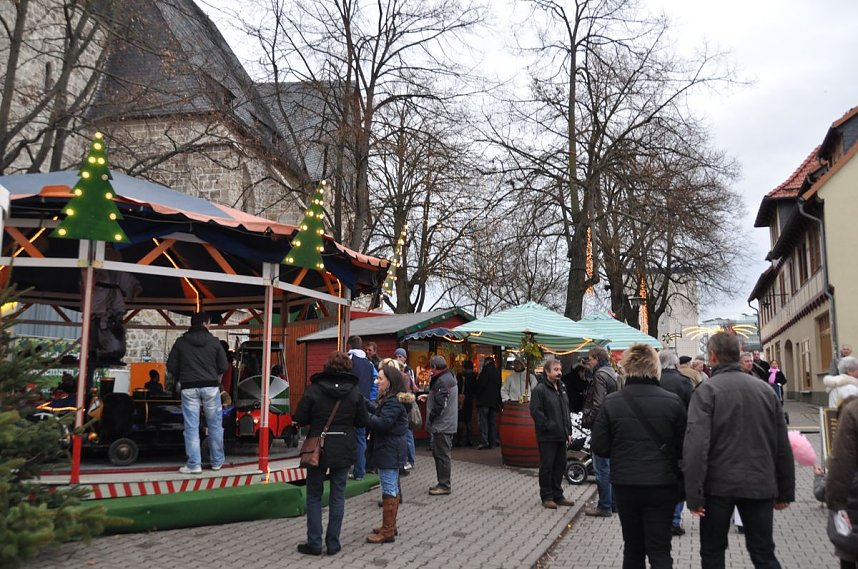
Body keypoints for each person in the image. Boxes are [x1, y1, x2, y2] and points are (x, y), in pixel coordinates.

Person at [684, 332, 794, 569]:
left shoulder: (706, 391)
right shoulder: (765, 391)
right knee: (763, 552)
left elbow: (696, 445)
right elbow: (781, 443)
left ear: (713, 356)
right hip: (759, 481)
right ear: (738, 355)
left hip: (717, 486)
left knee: (712, 553)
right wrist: (785, 490)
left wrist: (693, 494)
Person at [592, 344, 686, 568]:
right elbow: (684, 448)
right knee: (660, 549)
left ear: (627, 368)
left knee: (633, 548)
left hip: (626, 484)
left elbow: (599, 446)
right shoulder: (673, 402)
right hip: (662, 485)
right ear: (655, 368)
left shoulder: (612, 402)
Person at [293, 351, 368, 556]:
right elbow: (362, 421)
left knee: (314, 494)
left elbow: (300, 416)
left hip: (317, 447)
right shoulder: (354, 391)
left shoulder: (314, 389)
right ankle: (333, 543)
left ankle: (314, 542)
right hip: (344, 446)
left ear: (327, 366)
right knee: (338, 495)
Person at [167, 312, 228, 474]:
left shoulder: (181, 342)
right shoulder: (215, 342)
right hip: (211, 387)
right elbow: (224, 366)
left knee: (191, 427)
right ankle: (217, 462)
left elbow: (171, 366)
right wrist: (212, 373)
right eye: (209, 323)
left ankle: (194, 465)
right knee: (215, 425)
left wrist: (183, 374)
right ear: (205, 324)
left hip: (189, 387)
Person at [366, 363, 412, 543]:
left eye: (380, 379)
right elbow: (379, 412)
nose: (377, 382)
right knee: (391, 486)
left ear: (390, 382)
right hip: (392, 449)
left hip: (389, 450)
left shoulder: (393, 402)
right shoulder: (392, 400)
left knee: (389, 488)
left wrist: (364, 417)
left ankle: (388, 531)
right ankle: (390, 526)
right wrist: (364, 403)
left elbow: (382, 423)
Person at [529, 357, 575, 509]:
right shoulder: (540, 390)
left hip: (561, 435)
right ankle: (547, 496)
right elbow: (536, 412)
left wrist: (568, 430)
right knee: (547, 467)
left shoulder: (562, 388)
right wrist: (549, 426)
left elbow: (565, 410)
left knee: (559, 466)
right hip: (547, 436)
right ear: (547, 372)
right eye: (555, 370)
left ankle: (558, 495)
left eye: (560, 369)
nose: (559, 372)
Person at [658, 350, 693, 537]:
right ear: (676, 364)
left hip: (655, 436)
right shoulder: (684, 382)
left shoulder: (654, 380)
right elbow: (692, 409)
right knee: (678, 478)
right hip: (680, 437)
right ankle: (674, 520)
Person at [582, 346, 618, 517]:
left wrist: (589, 420)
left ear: (597, 358)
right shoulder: (612, 373)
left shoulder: (599, 375)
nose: (588, 362)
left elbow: (598, 403)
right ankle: (613, 504)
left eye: (590, 359)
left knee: (601, 468)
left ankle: (604, 506)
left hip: (601, 426)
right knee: (611, 467)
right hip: (612, 425)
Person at [824, 396, 858, 569]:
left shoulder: (852, 410)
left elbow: (841, 463)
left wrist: (836, 503)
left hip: (853, 498)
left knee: (849, 552)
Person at [420, 355, 458, 495]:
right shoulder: (449, 377)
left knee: (442, 455)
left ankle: (444, 485)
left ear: (435, 367)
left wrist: (431, 418)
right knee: (440, 454)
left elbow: (441, 404)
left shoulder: (442, 380)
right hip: (447, 423)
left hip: (442, 425)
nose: (430, 370)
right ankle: (442, 483)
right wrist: (430, 397)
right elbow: (443, 398)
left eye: (431, 367)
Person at [347, 335, 377, 481]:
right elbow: (374, 384)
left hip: (348, 404)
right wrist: (371, 400)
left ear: (349, 346)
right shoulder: (369, 364)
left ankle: (346, 468)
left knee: (346, 435)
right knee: (361, 438)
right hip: (364, 404)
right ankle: (360, 471)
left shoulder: (349, 360)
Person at [394, 347, 418, 470]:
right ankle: (405, 459)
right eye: (396, 356)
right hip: (403, 404)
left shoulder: (408, 371)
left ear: (405, 358)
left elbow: (413, 387)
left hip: (406, 404)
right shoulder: (397, 371)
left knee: (408, 434)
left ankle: (411, 460)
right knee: (406, 434)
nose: (398, 358)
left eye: (400, 356)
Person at [474, 356, 501, 449]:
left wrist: (477, 392)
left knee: (483, 422)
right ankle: (493, 441)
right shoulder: (497, 371)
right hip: (494, 401)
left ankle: (484, 441)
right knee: (492, 422)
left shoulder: (485, 371)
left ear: (487, 362)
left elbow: (481, 384)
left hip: (484, 400)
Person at [455, 360, 477, 447]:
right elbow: (475, 389)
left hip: (461, 399)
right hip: (469, 399)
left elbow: (457, 387)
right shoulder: (474, 376)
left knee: (460, 419)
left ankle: (459, 440)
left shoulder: (460, 376)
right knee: (468, 420)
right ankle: (469, 440)